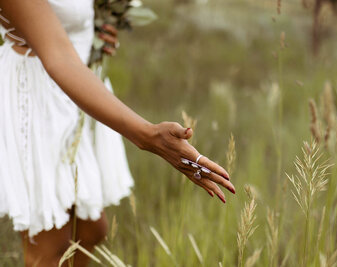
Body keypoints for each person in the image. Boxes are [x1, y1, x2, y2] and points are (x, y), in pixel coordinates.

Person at [0, 0, 236, 266]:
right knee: (51, 245)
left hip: (82, 96)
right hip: (39, 99)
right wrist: (147, 135)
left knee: (91, 231)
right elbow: (58, 56)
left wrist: (95, 30)